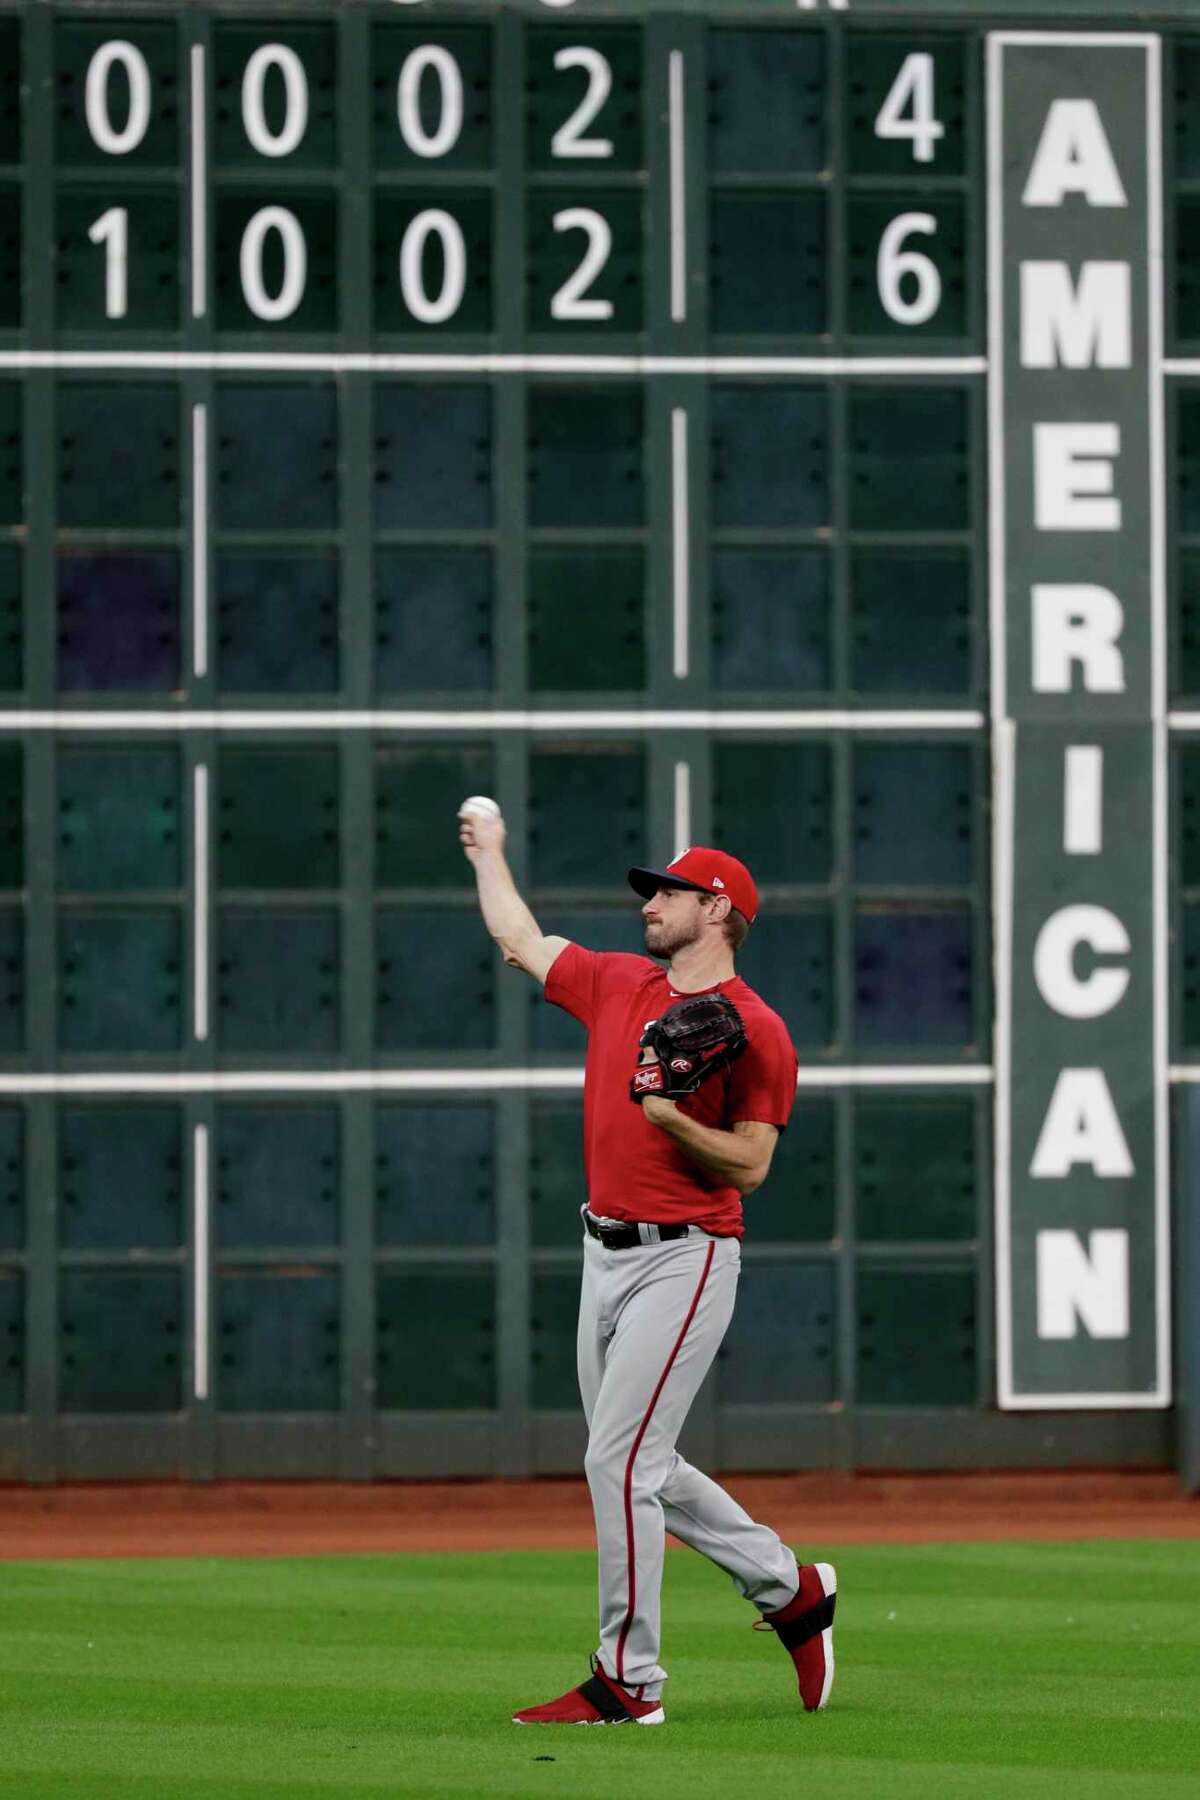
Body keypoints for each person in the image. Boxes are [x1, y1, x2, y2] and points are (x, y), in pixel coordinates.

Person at [460, 802, 837, 1727]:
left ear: (718, 909)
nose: (648, 904)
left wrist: (672, 1116)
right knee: (639, 1463)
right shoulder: (620, 983)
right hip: (603, 1250)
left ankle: (629, 1680)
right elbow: (519, 938)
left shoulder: (757, 1028)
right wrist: (491, 853)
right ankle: (790, 1589)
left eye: (667, 891)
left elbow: (752, 1164)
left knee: (619, 1461)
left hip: (689, 1257)